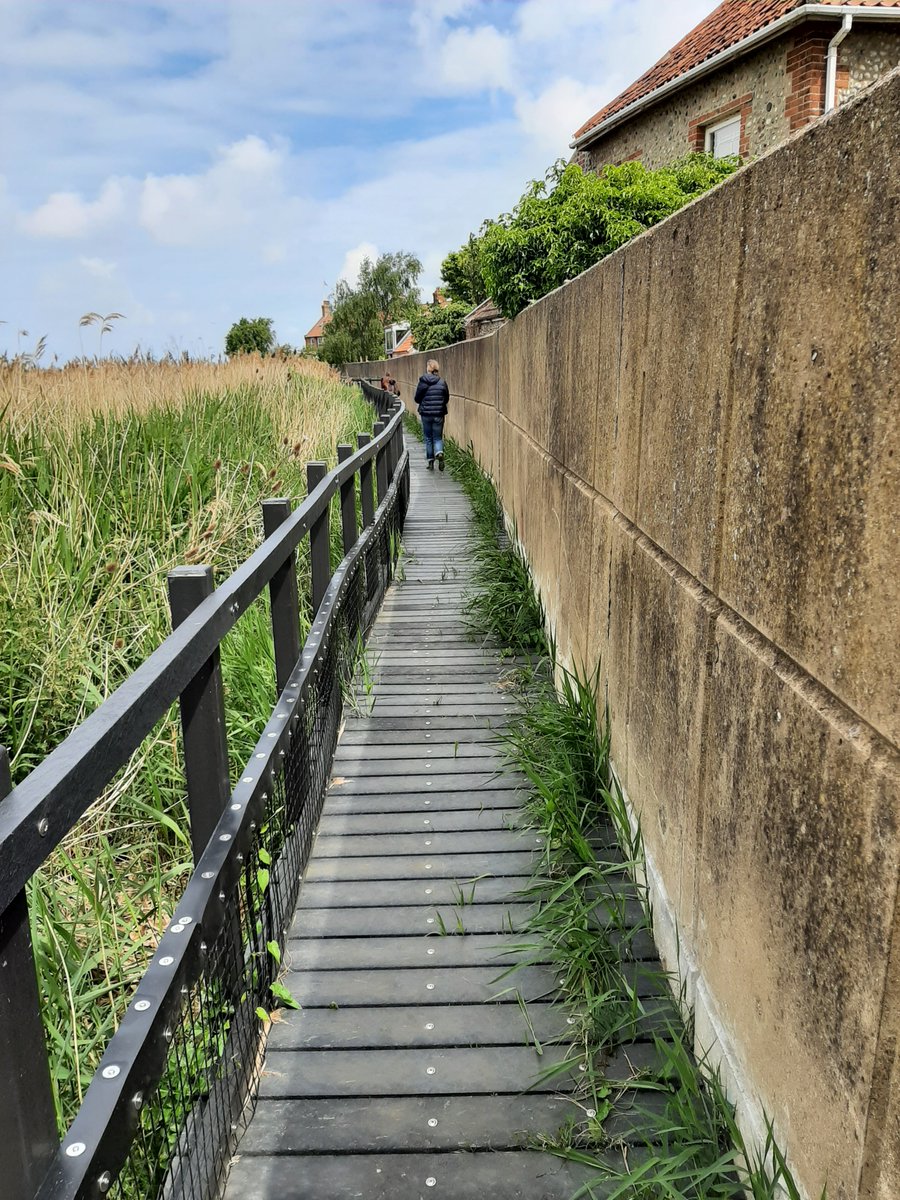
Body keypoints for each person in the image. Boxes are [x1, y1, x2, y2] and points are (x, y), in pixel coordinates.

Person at [413, 359, 449, 471]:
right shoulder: (442, 382)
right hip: (439, 414)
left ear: (428, 368)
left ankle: (430, 462)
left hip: (426, 414)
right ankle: (439, 452)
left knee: (428, 438)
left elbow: (417, 398)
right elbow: (446, 398)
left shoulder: (423, 382)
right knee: (437, 437)